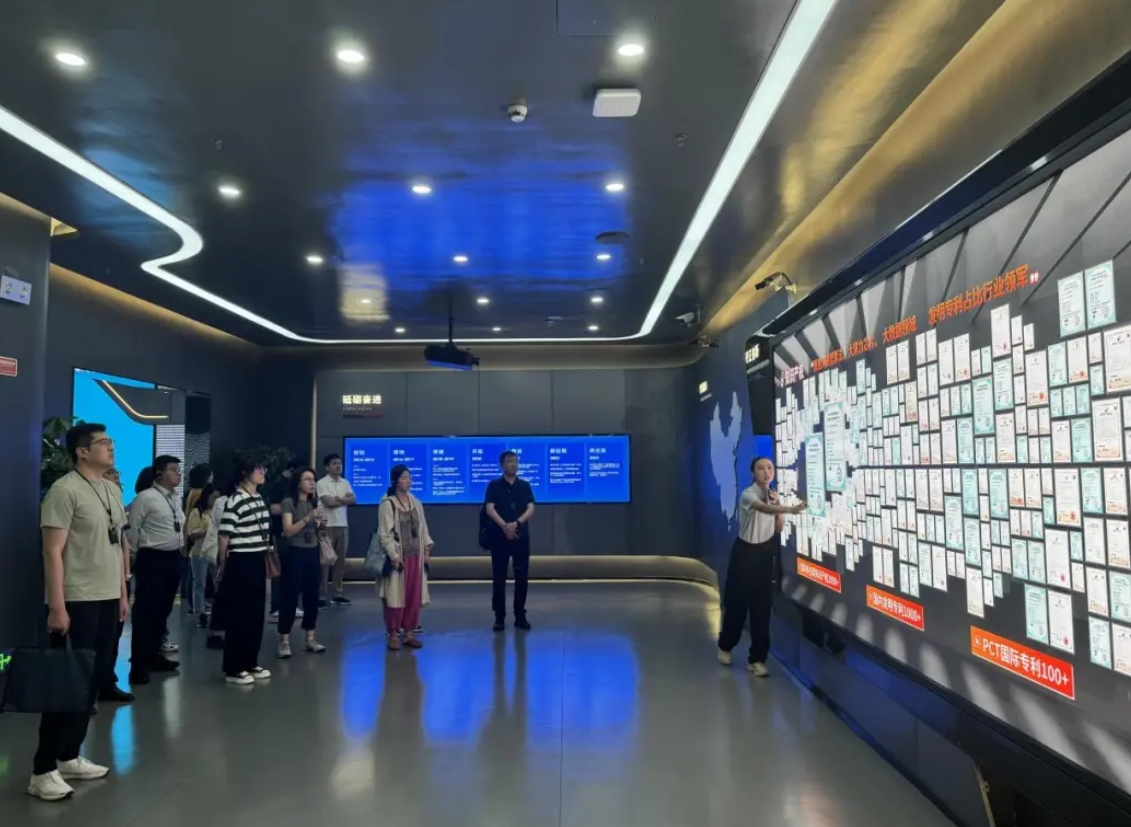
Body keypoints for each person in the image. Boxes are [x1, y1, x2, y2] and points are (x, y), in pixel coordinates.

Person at [30, 423, 130, 801]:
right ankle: (42, 770)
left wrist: (122, 594)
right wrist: (57, 606)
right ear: (82, 452)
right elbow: (51, 551)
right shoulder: (64, 490)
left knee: (92, 681)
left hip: (107, 597)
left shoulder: (111, 489)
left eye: (111, 441)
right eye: (103, 443)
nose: (110, 447)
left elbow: (117, 545)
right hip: (76, 599)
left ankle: (69, 755)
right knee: (67, 684)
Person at [717, 457, 807, 677]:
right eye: (760, 468)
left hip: (764, 554)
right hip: (744, 554)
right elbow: (762, 509)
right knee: (737, 604)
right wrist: (788, 508)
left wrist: (780, 507)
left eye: (769, 468)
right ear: (753, 473)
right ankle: (725, 645)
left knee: (762, 607)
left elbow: (778, 528)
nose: (766, 472)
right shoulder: (748, 495)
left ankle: (757, 659)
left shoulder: (773, 496)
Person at [127, 455, 185, 685]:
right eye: (173, 470)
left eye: (179, 470)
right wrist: (133, 555)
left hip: (173, 557)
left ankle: (154, 655)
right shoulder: (145, 497)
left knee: (163, 610)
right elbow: (133, 529)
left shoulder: (174, 498)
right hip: (152, 558)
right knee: (146, 612)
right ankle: (138, 664)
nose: (178, 474)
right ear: (159, 474)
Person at [217, 458, 273, 685]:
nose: (262, 472)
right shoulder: (235, 500)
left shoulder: (258, 498)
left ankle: (251, 661)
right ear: (245, 473)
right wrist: (223, 564)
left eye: (263, 469)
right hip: (240, 561)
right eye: (258, 469)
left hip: (258, 559)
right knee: (239, 615)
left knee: (256, 614)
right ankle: (233, 667)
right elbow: (224, 536)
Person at [377, 464, 432, 650]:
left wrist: (426, 550)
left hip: (415, 557)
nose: (408, 481)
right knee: (395, 598)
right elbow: (384, 534)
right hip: (398, 559)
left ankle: (409, 633)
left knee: (413, 596)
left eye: (409, 477)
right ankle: (393, 634)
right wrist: (393, 555)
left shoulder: (416, 502)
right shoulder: (388, 503)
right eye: (404, 477)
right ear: (395, 481)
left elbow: (423, 528)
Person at [277, 467, 328, 658]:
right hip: (294, 552)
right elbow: (288, 530)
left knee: (312, 595)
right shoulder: (289, 502)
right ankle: (284, 641)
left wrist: (321, 522)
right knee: (290, 596)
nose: (312, 483)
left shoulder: (314, 501)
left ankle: (310, 638)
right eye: (307, 479)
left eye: (313, 479)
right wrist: (309, 518)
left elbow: (319, 528)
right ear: (298, 482)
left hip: (312, 551)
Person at [96, 467, 134, 708]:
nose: (116, 477)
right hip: (98, 578)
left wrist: (126, 575)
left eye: (118, 473)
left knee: (113, 634)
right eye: (111, 473)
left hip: (120, 577)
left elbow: (122, 541)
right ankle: (90, 688)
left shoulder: (116, 500)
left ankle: (106, 681)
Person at [484, 450, 535, 631]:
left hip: (521, 538)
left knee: (522, 577)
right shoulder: (494, 486)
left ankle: (520, 615)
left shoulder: (525, 486)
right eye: (509, 461)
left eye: (515, 461)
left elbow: (531, 508)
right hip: (499, 538)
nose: (513, 464)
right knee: (499, 578)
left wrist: (517, 523)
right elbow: (490, 509)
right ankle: (499, 617)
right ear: (501, 465)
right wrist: (505, 526)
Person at [266, 459, 303, 620]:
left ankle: (292, 605)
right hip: (281, 534)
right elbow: (273, 508)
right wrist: (295, 510)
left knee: (294, 571)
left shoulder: (295, 487)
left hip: (297, 534)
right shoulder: (278, 485)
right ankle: (277, 606)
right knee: (280, 571)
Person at [317, 453, 356, 606]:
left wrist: (339, 499)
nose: (338, 466)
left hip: (342, 525)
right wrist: (344, 500)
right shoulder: (321, 483)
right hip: (325, 525)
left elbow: (353, 500)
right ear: (327, 467)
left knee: (340, 562)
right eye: (334, 463)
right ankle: (321, 596)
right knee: (325, 562)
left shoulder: (345, 482)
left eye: (340, 463)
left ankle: (337, 594)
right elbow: (328, 502)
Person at [186, 483, 218, 615]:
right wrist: (207, 530)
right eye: (213, 497)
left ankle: (218, 607)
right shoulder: (197, 512)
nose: (215, 501)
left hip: (214, 551)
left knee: (217, 581)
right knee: (199, 582)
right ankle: (199, 609)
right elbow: (192, 533)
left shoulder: (215, 512)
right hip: (199, 552)